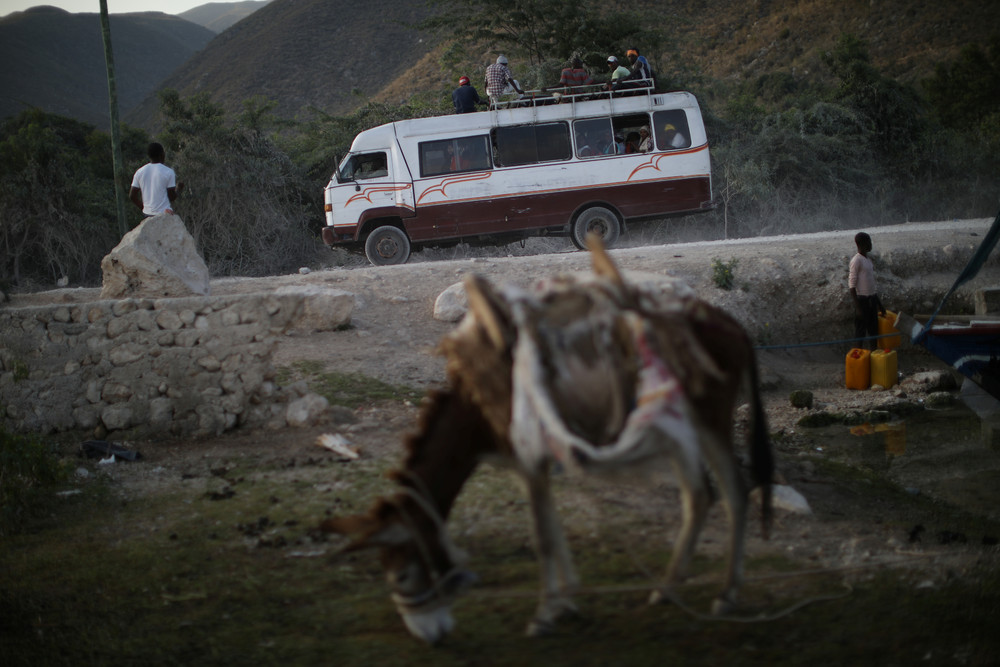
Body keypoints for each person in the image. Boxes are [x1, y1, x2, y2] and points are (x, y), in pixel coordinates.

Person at [849, 232, 886, 350]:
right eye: (869, 242)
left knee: (873, 331)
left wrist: (880, 305)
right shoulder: (856, 261)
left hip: (872, 299)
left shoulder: (868, 260)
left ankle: (873, 357)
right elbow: (852, 285)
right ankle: (857, 359)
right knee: (860, 333)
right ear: (863, 244)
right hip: (862, 300)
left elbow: (871, 286)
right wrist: (858, 307)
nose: (871, 244)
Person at [130, 142, 182, 217]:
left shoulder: (139, 172)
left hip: (147, 214)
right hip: (164, 213)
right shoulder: (168, 172)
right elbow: (171, 197)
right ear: (162, 155)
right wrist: (179, 189)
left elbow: (132, 196)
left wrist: (144, 208)